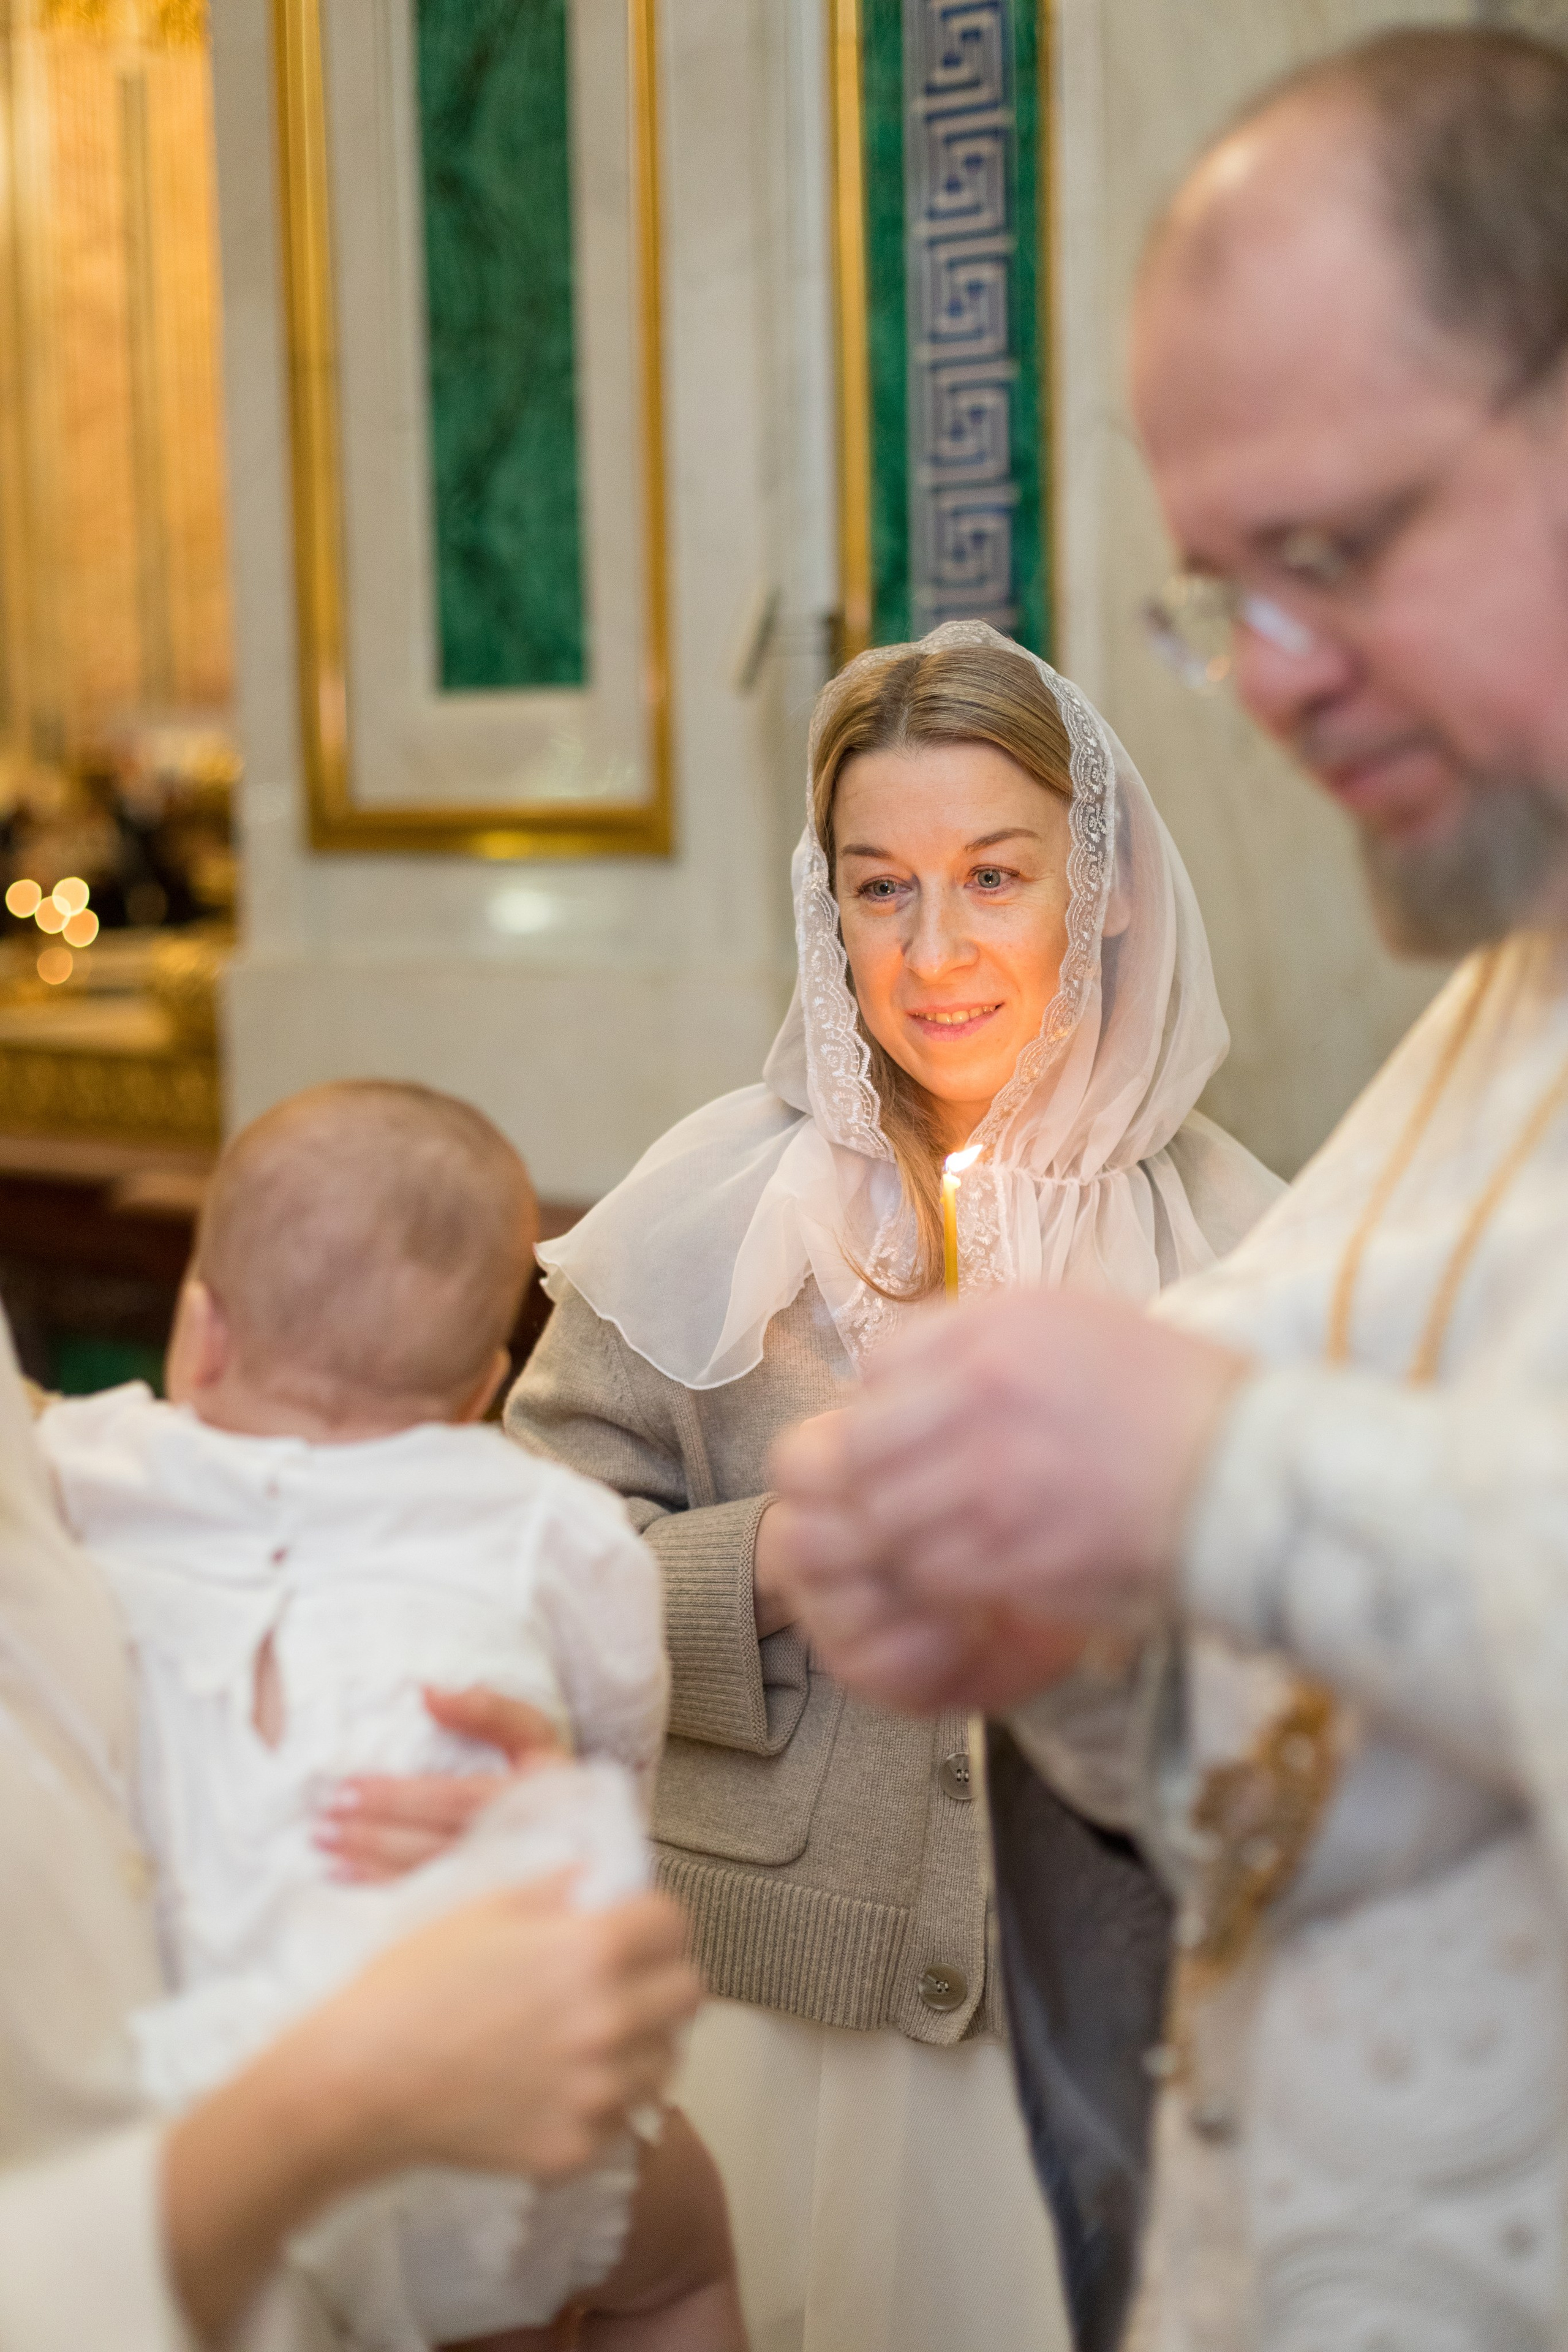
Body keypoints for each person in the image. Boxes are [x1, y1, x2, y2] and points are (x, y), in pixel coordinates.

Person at [767, 28, 1568, 2352]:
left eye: (1330, 552)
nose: (1281, 685)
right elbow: (1350, 1761)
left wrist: (1216, 1468)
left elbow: (1308, 1493)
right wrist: (1075, 1633)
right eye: (1226, 596)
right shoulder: (1494, 1014)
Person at [505, 619, 1281, 2352]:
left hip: (1097, 2030)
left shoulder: (1248, 1250)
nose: (934, 952)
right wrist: (776, 1554)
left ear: (1107, 890)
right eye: (880, 887)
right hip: (763, 2017)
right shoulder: (703, 1228)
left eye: (994, 876)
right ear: (821, 904)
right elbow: (520, 1580)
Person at [34, 1079, 744, 2352]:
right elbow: (621, 1730)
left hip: (208, 2093)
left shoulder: (90, 1469)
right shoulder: (545, 1520)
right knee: (681, 2258)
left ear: (199, 1334)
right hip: (487, 2086)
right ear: (482, 1388)